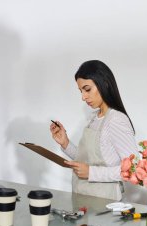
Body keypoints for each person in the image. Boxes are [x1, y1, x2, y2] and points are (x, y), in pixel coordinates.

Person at [50, 60, 138, 201]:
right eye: (81, 91)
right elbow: (87, 160)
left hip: (104, 203)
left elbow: (133, 168)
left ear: (105, 83)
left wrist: (92, 173)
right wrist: (65, 143)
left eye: (87, 89)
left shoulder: (116, 119)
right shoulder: (94, 118)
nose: (83, 97)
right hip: (82, 195)